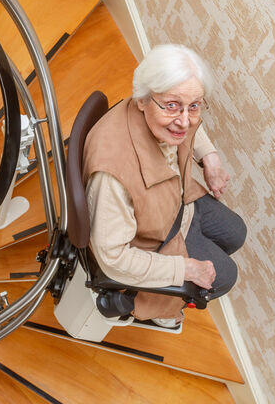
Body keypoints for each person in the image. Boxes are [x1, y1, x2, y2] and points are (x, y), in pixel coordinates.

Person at [83, 44, 246, 326]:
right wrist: (185, 269)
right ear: (143, 99)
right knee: (226, 276)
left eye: (194, 106)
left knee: (236, 232)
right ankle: (160, 310)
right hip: (151, 238)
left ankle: (192, 263)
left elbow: (190, 123)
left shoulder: (157, 105)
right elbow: (113, 259)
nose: (184, 121)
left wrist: (210, 158)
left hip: (174, 202)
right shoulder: (113, 176)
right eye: (173, 106)